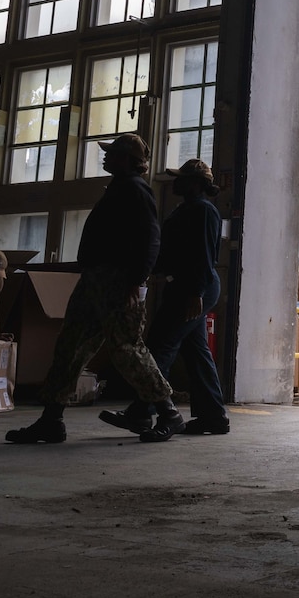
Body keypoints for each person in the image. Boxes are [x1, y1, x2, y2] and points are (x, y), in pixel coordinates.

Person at [6, 133, 184, 445]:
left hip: (118, 281)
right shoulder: (119, 187)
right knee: (70, 346)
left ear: (127, 158)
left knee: (127, 348)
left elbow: (150, 239)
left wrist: (136, 279)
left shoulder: (135, 189)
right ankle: (51, 420)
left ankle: (169, 413)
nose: (105, 157)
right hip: (95, 280)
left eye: (112, 153)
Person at [99, 159, 230, 437]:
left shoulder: (204, 211)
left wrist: (196, 292)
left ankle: (143, 413)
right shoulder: (186, 209)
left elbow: (204, 256)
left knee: (161, 346)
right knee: (196, 354)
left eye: (180, 178)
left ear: (195, 182)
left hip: (194, 288)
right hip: (185, 286)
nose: (175, 182)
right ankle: (214, 417)